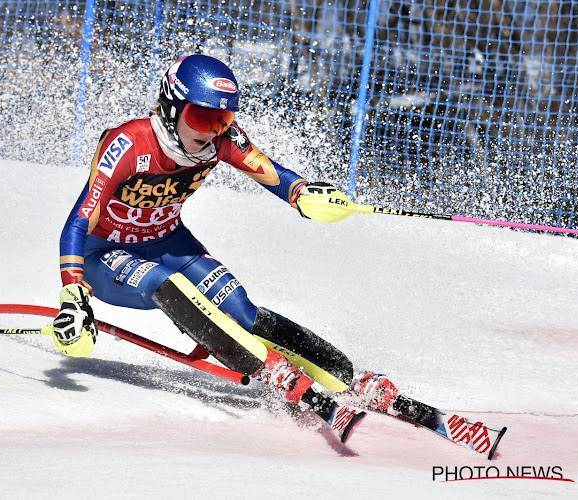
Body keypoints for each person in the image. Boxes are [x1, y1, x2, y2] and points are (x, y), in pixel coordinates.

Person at [53, 54, 398, 430]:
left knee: (241, 310)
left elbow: (271, 173)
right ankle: (272, 371)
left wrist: (303, 194)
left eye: (223, 119)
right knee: (164, 283)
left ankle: (348, 376)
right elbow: (78, 221)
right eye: (202, 117)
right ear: (171, 107)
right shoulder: (129, 144)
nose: (212, 130)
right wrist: (73, 294)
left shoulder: (220, 140)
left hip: (168, 243)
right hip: (104, 255)